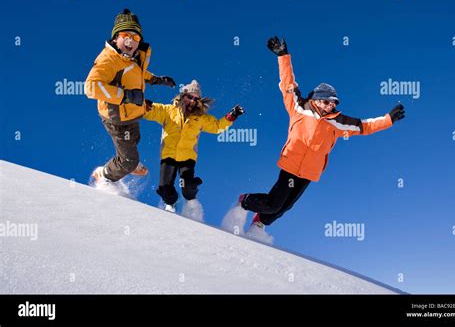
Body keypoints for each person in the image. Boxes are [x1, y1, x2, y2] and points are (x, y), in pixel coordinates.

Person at [239, 36, 405, 232]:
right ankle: (245, 201)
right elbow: (288, 84)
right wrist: (283, 55)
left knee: (286, 206)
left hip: (310, 171)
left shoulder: (337, 123)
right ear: (317, 100)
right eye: (327, 102)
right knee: (275, 203)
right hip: (291, 163)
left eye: (334, 103)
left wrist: (388, 119)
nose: (331, 106)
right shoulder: (299, 107)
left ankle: (259, 224)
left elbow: (364, 126)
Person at [84, 9, 176, 184]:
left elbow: (139, 73)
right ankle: (104, 175)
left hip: (132, 113)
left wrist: (158, 80)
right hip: (116, 118)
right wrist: (125, 96)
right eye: (126, 35)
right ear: (115, 38)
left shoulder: (134, 58)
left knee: (134, 138)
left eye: (135, 37)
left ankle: (127, 159)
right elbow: (91, 87)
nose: (130, 41)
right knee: (129, 159)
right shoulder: (109, 59)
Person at [144, 80, 244, 214]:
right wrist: (142, 104)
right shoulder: (168, 111)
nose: (192, 101)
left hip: (187, 157)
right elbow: (153, 110)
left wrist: (231, 116)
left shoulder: (200, 118)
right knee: (164, 188)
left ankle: (191, 201)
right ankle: (171, 203)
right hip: (168, 155)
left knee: (188, 186)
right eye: (189, 97)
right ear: (182, 96)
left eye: (196, 99)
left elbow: (217, 127)